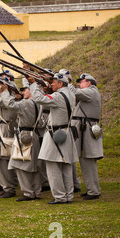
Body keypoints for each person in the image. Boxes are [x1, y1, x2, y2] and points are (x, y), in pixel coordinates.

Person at [28, 73, 78, 204]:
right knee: (66, 166)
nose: (51, 84)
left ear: (61, 84)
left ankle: (60, 196)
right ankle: (68, 195)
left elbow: (39, 98)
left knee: (53, 167)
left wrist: (33, 84)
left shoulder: (57, 96)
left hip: (54, 133)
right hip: (66, 132)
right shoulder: (71, 94)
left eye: (54, 82)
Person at [0, 85, 42, 201]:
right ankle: (36, 192)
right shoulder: (37, 102)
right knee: (33, 166)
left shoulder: (27, 103)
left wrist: (4, 92)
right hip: (33, 134)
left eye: (25, 90)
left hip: (25, 135)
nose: (23, 92)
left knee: (20, 165)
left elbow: (10, 105)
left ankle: (28, 192)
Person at [71, 73, 103, 200]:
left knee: (88, 161)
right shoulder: (89, 92)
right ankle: (92, 189)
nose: (79, 84)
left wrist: (66, 83)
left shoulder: (91, 92)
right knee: (86, 161)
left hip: (87, 132)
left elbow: (75, 92)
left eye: (81, 81)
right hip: (85, 131)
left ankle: (93, 191)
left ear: (89, 83)